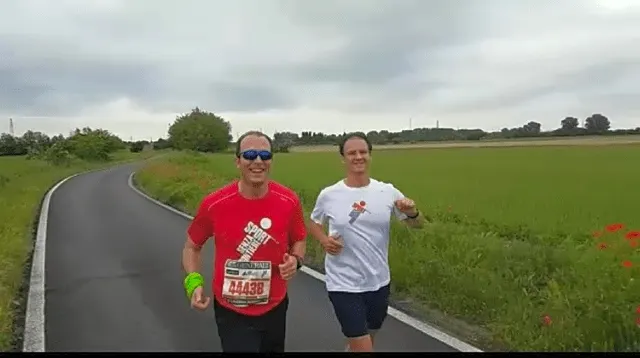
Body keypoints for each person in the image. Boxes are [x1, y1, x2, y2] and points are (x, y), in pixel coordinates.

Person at [181, 130, 307, 352]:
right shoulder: (215, 203)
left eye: (264, 155)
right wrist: (193, 283)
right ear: (237, 161)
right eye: (249, 154)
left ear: (271, 161)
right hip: (231, 310)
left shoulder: (288, 201)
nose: (257, 161)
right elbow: (192, 247)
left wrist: (295, 261)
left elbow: (299, 239)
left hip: (274, 306)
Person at [308, 132, 424, 352]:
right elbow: (314, 223)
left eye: (362, 152)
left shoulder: (387, 192)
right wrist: (324, 240)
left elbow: (417, 225)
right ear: (343, 158)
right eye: (352, 153)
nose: (358, 157)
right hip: (343, 282)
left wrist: (412, 212)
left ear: (370, 156)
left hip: (378, 281)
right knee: (363, 346)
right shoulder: (330, 194)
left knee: (368, 337)